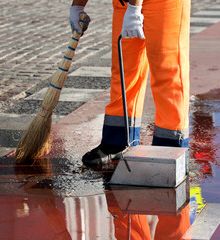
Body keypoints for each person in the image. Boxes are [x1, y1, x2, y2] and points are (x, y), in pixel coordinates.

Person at [70, 0, 191, 166]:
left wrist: (134, 9)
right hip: (125, 3)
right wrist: (78, 6)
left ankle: (171, 148)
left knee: (167, 71)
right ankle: (117, 141)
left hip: (164, 3)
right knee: (123, 69)